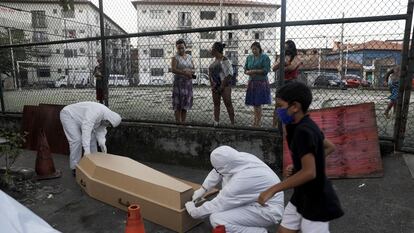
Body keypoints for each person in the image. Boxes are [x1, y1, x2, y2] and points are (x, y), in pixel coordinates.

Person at [258, 82, 344, 233]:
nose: (277, 110)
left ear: (295, 107)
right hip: (301, 195)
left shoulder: (303, 132)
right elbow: (329, 146)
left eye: (280, 106)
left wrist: (273, 189)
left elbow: (309, 173)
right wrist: (300, 166)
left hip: (316, 200)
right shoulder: (302, 126)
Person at [185, 145, 284, 233]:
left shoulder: (241, 180)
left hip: (268, 209)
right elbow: (217, 170)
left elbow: (219, 203)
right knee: (226, 180)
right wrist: (203, 189)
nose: (218, 171)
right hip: (258, 198)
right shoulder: (238, 158)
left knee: (217, 219)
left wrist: (195, 212)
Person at [60, 101, 122, 174]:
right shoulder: (96, 112)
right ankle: (75, 167)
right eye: (108, 124)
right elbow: (86, 129)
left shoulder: (105, 118)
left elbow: (101, 132)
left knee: (92, 139)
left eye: (109, 126)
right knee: (77, 140)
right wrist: (86, 151)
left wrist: (102, 145)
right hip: (69, 115)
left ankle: (94, 163)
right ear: (107, 119)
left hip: (81, 119)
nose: (107, 126)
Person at [272, 40, 302, 128]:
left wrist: (281, 66)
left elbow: (291, 68)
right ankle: (274, 126)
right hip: (281, 82)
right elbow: (274, 68)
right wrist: (282, 63)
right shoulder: (282, 56)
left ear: (291, 48)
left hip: (291, 83)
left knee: (290, 104)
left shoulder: (296, 57)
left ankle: (289, 126)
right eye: (284, 47)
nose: (285, 49)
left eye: (287, 47)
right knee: (278, 104)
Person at [244, 41, 272, 127]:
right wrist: (248, 72)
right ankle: (255, 121)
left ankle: (258, 123)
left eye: (255, 49)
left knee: (258, 103)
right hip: (252, 82)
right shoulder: (249, 58)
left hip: (261, 82)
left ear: (259, 49)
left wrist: (254, 71)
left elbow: (266, 70)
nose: (253, 51)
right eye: (252, 49)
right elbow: (245, 69)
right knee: (254, 104)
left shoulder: (265, 57)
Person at [209, 42, 235, 126]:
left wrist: (222, 86)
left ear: (216, 50)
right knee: (216, 104)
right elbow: (211, 74)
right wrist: (212, 84)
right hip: (215, 85)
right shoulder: (215, 60)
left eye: (212, 48)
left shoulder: (225, 60)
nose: (210, 50)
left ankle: (233, 123)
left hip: (225, 86)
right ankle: (216, 122)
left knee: (228, 103)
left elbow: (229, 75)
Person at [171, 39, 195, 124]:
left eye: (182, 48)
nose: (180, 50)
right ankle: (178, 122)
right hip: (179, 83)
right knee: (178, 104)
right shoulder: (175, 57)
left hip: (188, 83)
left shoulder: (189, 57)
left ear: (185, 47)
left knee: (185, 104)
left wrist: (190, 72)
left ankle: (183, 123)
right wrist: (184, 72)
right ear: (176, 48)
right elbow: (173, 69)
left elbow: (194, 69)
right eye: (178, 48)